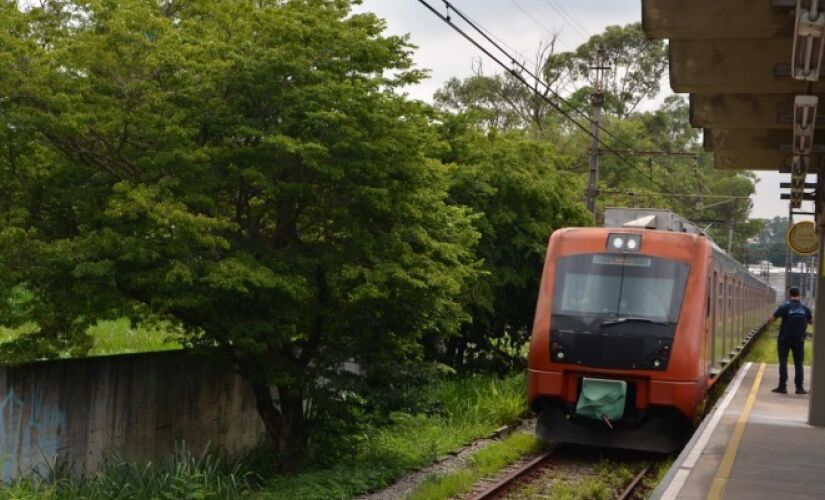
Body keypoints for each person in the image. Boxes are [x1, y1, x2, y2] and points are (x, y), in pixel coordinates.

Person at [768, 286, 813, 395]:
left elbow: (771, 320)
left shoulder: (784, 307)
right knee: (799, 363)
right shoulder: (805, 308)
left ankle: (782, 387)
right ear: (799, 295)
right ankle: (799, 388)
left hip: (784, 340)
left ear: (789, 295)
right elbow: (811, 322)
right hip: (799, 340)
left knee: (783, 362)